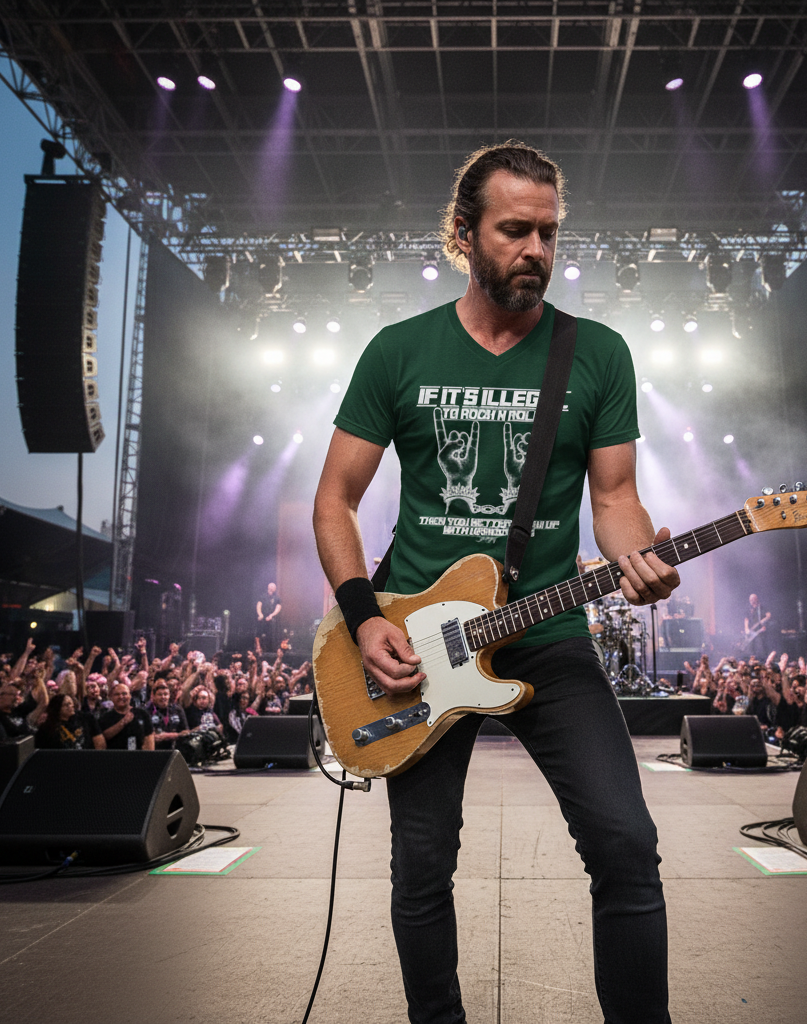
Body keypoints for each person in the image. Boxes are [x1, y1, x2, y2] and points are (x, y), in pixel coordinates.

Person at [313, 143, 680, 1024]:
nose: (536, 250)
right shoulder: (398, 351)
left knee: (627, 845)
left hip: (549, 641)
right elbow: (335, 500)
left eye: (549, 232)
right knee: (422, 863)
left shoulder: (596, 354)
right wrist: (366, 622)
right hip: (417, 645)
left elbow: (617, 500)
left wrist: (640, 561)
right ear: (464, 234)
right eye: (515, 230)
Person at [34, 694, 106, 750]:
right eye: (66, 705)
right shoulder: (47, 728)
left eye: (71, 703)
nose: (71, 706)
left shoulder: (86, 718)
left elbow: (99, 742)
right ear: (57, 708)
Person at [99, 682, 154, 750]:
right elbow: (103, 738)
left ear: (130, 696)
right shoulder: (105, 717)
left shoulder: (142, 714)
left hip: (138, 757)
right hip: (114, 757)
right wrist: (123, 722)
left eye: (124, 694)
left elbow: (149, 739)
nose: (121, 697)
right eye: (117, 694)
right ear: (111, 697)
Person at [743, 593, 771, 660]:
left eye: (753, 599)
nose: (752, 601)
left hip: (760, 630)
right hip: (751, 630)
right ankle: (752, 659)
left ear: (756, 599)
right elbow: (746, 619)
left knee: (761, 646)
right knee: (751, 646)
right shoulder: (749, 608)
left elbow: (768, 615)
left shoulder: (761, 607)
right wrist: (746, 629)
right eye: (750, 600)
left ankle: (762, 659)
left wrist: (763, 621)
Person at [256, 582, 282, 648]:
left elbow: (278, 607)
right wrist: (260, 614)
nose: (272, 588)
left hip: (272, 618)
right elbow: (259, 605)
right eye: (271, 586)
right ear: (268, 587)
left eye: (274, 587)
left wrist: (272, 615)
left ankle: (272, 647)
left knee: (273, 628)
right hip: (263, 617)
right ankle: (259, 646)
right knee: (260, 627)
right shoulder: (262, 596)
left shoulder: (277, 598)